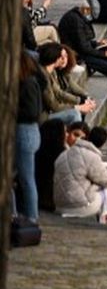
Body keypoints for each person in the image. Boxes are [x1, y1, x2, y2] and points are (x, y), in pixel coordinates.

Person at [53, 121, 107, 220]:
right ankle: (105, 221)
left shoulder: (64, 154)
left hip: (59, 205)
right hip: (77, 207)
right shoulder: (91, 156)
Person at [15, 57, 46, 221]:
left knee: (26, 178)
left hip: (25, 131)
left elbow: (32, 112)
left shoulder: (27, 83)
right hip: (29, 132)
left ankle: (32, 217)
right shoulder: (32, 82)